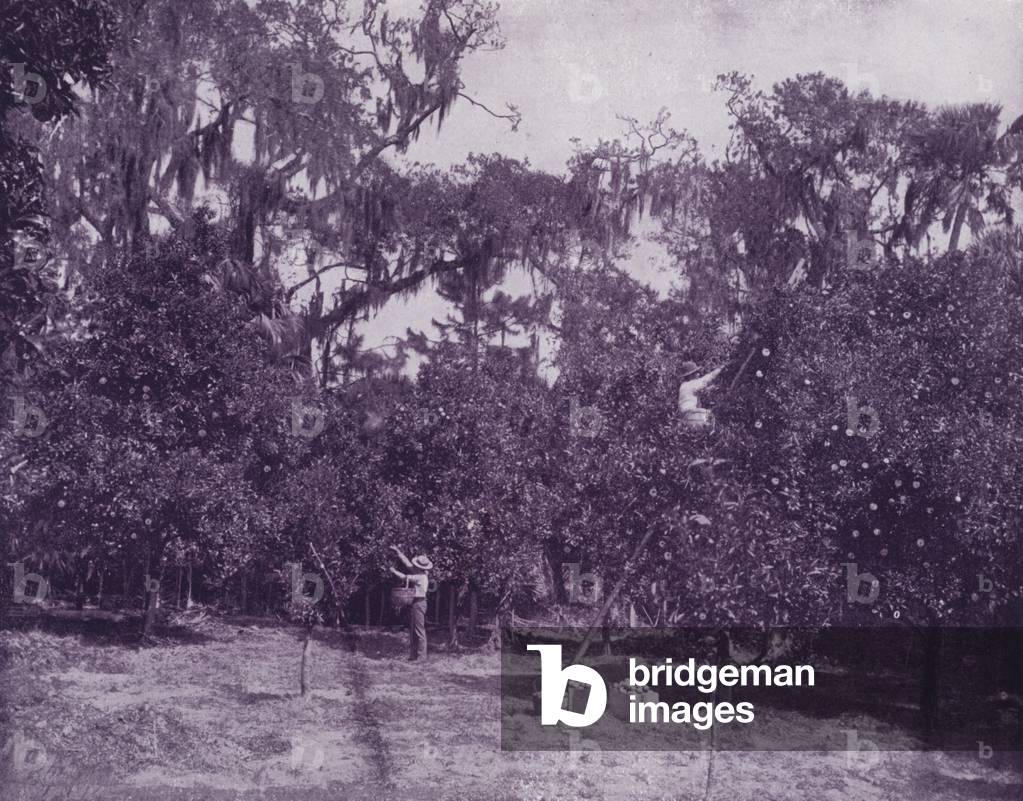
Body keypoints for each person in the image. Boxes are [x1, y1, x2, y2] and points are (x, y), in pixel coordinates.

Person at [389, 544, 432, 661]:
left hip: (419, 603)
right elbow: (407, 563)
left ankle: (421, 657)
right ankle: (413, 656)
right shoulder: (421, 573)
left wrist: (394, 571)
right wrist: (398, 551)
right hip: (416, 603)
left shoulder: (420, 577)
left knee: (419, 630)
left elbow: (404, 577)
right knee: (413, 630)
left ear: (418, 567)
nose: (413, 566)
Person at [677, 361, 723, 429]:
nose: (698, 374)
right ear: (690, 375)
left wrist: (712, 387)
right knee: (710, 416)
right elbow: (710, 377)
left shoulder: (683, 386)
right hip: (691, 414)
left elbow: (698, 392)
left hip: (683, 418)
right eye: (696, 373)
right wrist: (721, 368)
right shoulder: (693, 383)